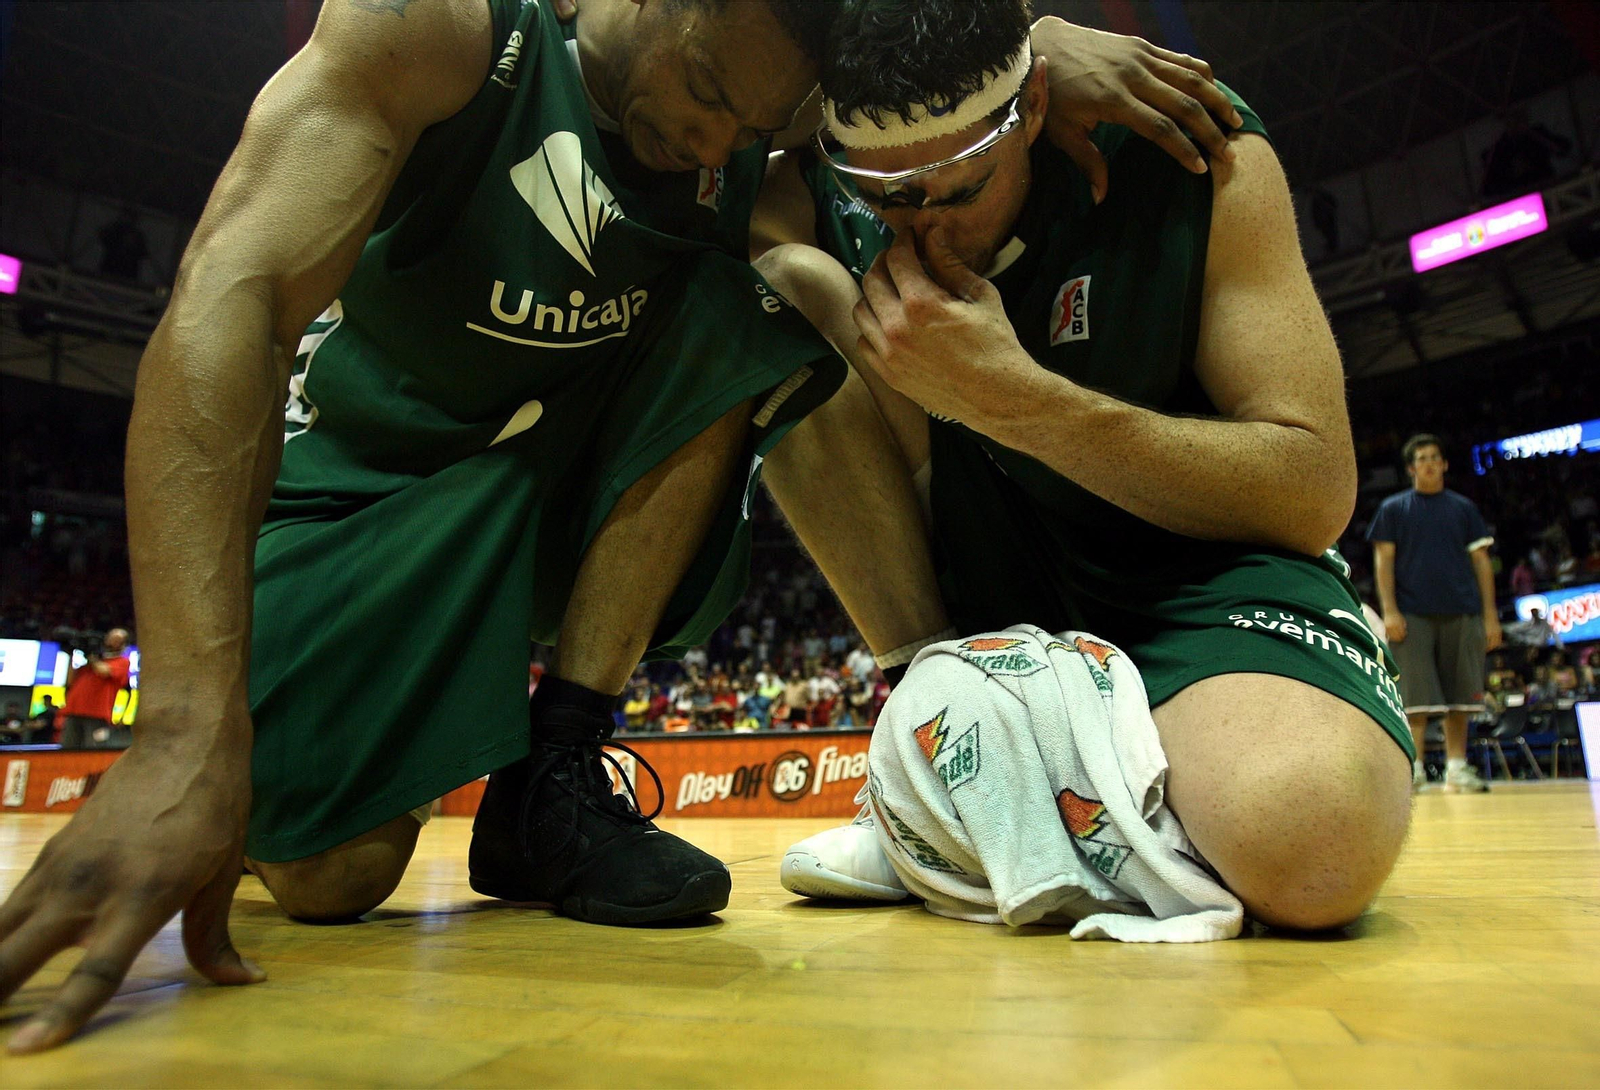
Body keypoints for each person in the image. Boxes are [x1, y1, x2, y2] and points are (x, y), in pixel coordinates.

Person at [0, 0, 1242, 1054]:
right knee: (334, 881)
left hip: (560, 490)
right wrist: (179, 727)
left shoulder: (747, 121)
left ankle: (596, 764)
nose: (714, 137)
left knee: (790, 286)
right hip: (370, 483)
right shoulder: (440, 32)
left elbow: (906, 45)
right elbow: (235, 293)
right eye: (703, 86)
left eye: (752, 129)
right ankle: (355, 736)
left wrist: (1023, 52)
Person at [755, 0, 1413, 932]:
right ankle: (937, 723)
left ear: (1031, 111)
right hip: (988, 599)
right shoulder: (838, 183)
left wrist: (1011, 397)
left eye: (961, 188)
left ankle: (986, 819)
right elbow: (680, 141)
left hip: (1195, 577)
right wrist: (1041, 32)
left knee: (1316, 846)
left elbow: (1313, 492)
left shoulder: (1196, 144)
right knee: (788, 289)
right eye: (886, 199)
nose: (924, 234)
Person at [1368, 434, 1501, 793]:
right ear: (1411, 468)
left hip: (1462, 612)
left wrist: (1490, 616)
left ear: (1443, 464)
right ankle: (1415, 769)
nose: (1428, 463)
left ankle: (1457, 768)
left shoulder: (1463, 508)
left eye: (1434, 457)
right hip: (1412, 615)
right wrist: (1390, 610)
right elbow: (1383, 562)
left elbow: (1482, 563)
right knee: (1415, 698)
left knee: (1462, 696)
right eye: (1421, 458)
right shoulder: (1393, 509)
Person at [58, 628, 133, 750]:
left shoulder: (122, 662)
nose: (110, 641)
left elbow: (104, 671)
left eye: (116, 639)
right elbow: (70, 680)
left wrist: (91, 656)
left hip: (97, 714)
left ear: (123, 644)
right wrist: (71, 654)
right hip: (74, 711)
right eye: (110, 637)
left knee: (94, 749)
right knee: (67, 749)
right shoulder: (91, 663)